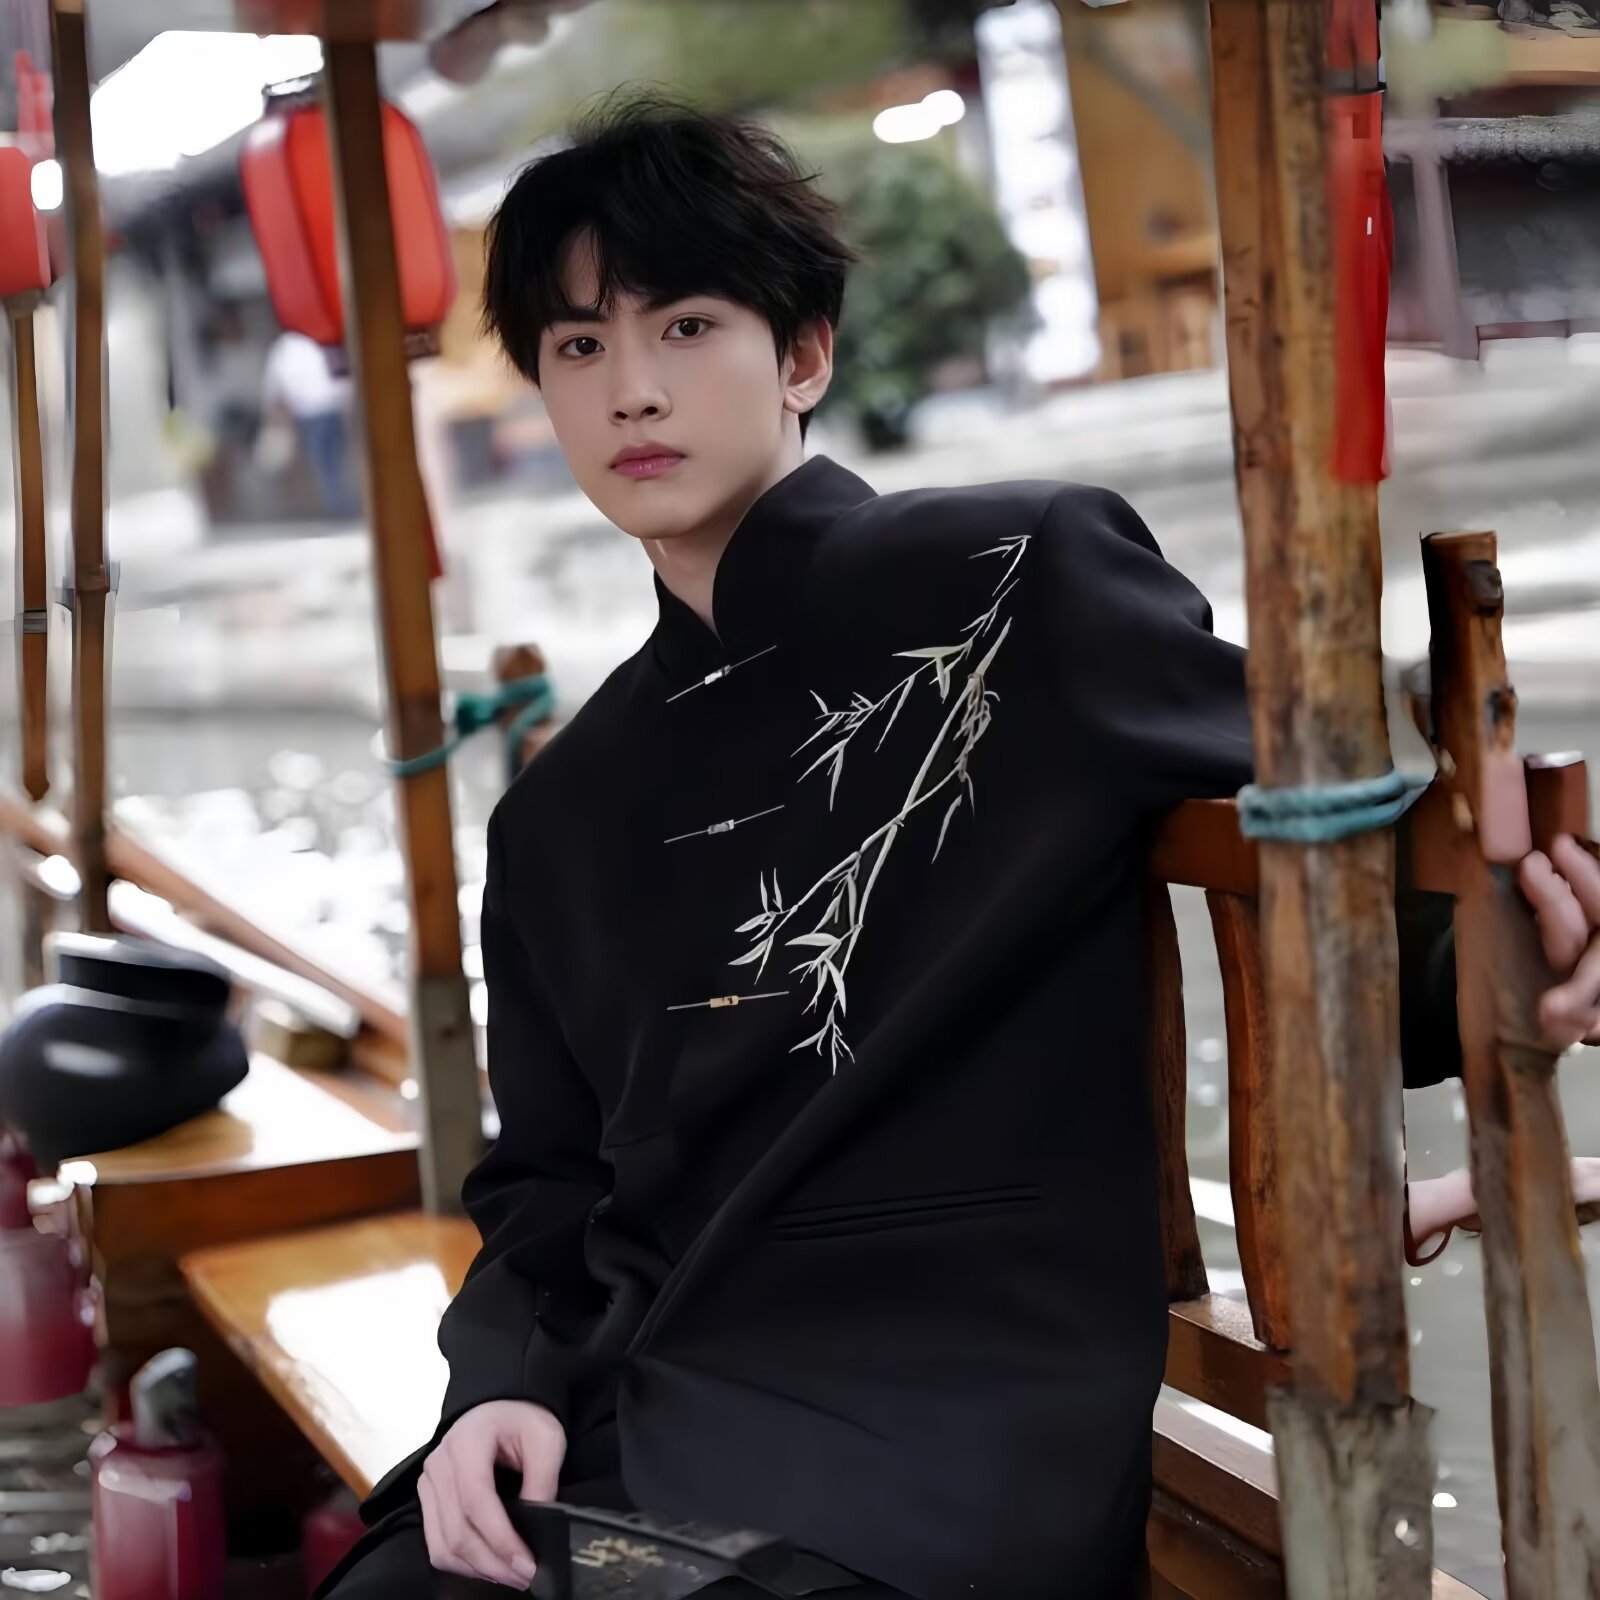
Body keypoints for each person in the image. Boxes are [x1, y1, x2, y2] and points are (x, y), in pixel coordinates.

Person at [320, 98, 1600, 1600]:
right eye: (579, 346)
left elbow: (1332, 840)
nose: (632, 390)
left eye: (686, 326)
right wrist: (497, 1390)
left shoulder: (1014, 583)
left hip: (949, 1423)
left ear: (804, 356)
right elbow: (543, 1180)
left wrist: (1509, 956)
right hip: (645, 1405)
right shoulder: (561, 808)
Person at [260, 329, 357, 518]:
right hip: (314, 412)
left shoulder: (307, 344)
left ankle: (338, 503)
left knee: (329, 460)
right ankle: (336, 503)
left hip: (325, 410)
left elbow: (273, 387)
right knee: (327, 460)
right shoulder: (289, 347)